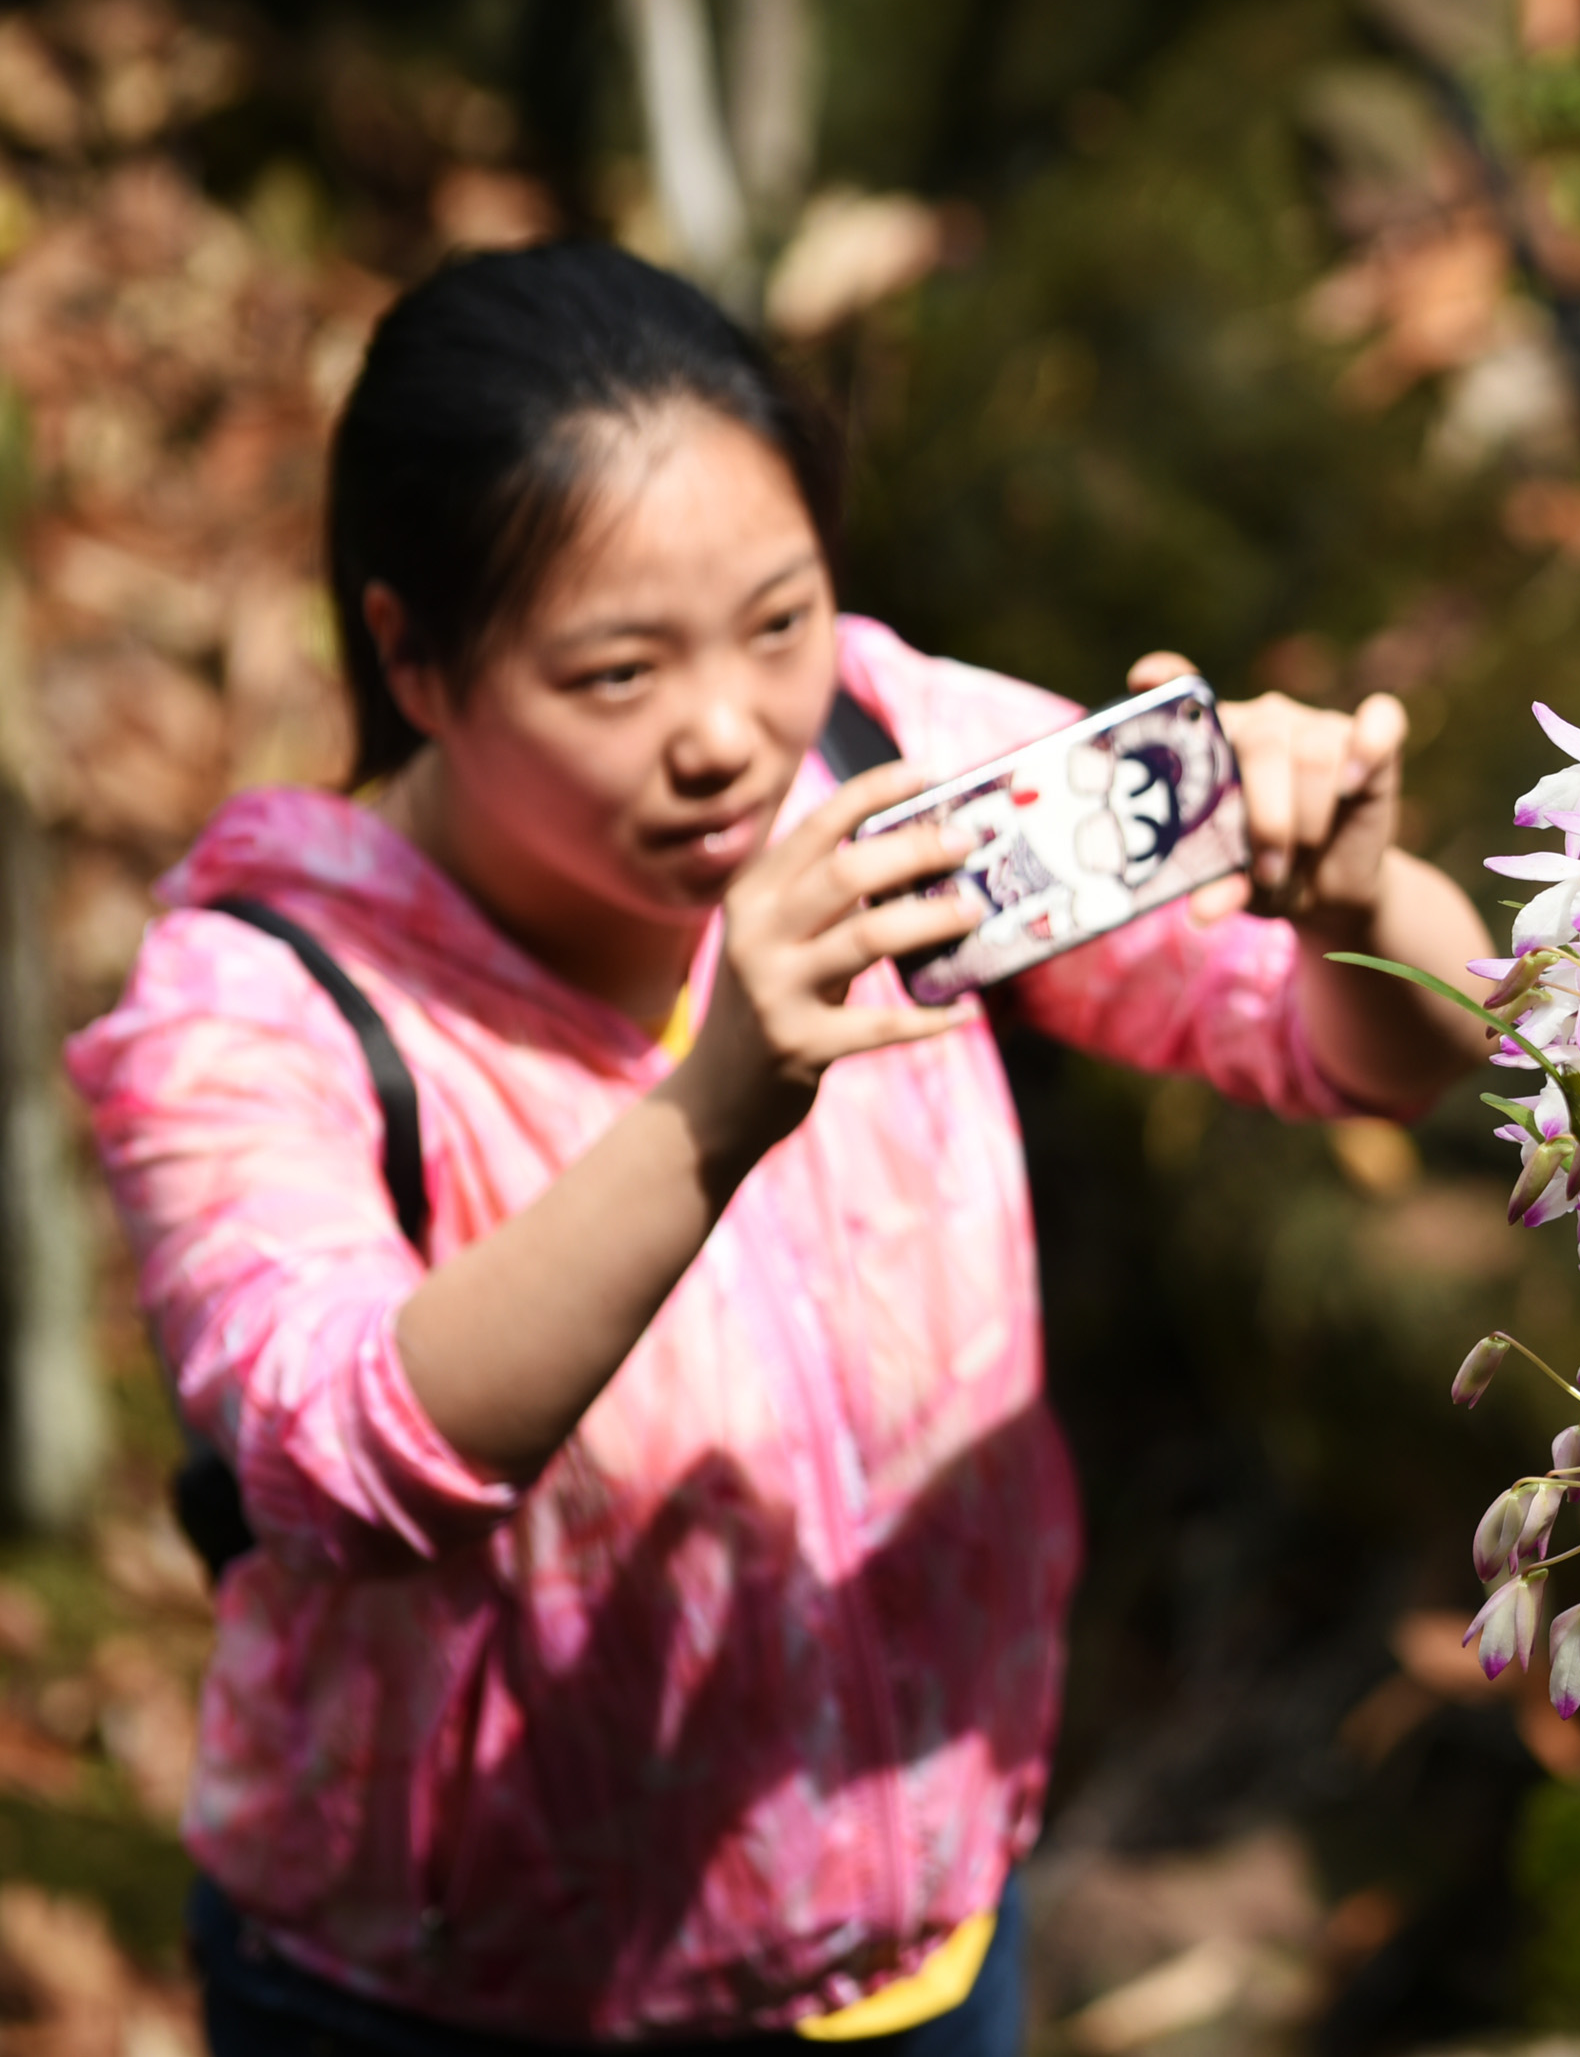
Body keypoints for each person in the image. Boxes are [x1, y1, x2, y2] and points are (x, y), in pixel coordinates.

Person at [64, 242, 1495, 2054]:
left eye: (777, 618)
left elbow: (1363, 1048)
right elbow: (336, 1460)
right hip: (459, 2003)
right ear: (412, 656)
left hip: (925, 1947)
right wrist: (716, 1102)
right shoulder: (258, 1005)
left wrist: (1355, 887)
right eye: (615, 674)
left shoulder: (888, 755)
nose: (729, 738)